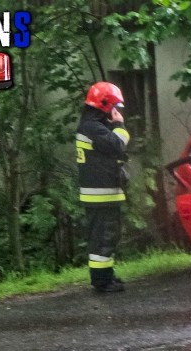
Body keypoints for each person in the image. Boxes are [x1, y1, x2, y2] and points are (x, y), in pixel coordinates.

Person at [76, 82, 131, 292]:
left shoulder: (92, 125)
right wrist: (120, 125)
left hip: (103, 193)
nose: (116, 111)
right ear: (105, 104)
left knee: (107, 238)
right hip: (101, 195)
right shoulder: (93, 128)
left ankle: (106, 276)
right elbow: (117, 145)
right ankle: (101, 281)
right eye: (115, 106)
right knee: (102, 240)